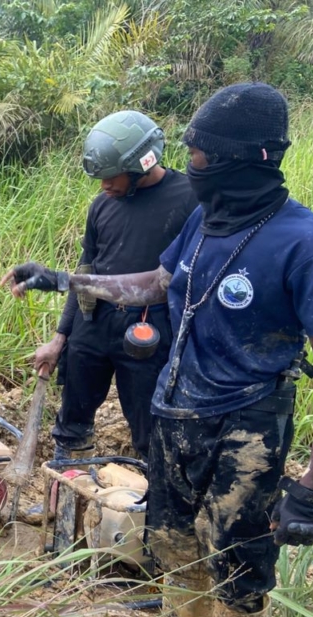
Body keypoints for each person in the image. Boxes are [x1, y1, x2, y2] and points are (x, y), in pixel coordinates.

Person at [1, 83, 313, 617]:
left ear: (242, 159)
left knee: (236, 550)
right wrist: (69, 281)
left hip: (249, 419)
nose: (191, 167)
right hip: (178, 404)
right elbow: (155, 282)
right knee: (173, 535)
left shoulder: (305, 241)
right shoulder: (206, 219)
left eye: (200, 156)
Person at [35, 111, 196, 464]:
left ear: (141, 164)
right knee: (72, 420)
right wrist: (60, 338)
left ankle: (153, 493)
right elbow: (86, 270)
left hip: (149, 328)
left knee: (149, 429)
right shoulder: (102, 205)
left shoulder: (190, 200)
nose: (104, 186)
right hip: (92, 321)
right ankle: (67, 484)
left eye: (111, 177)